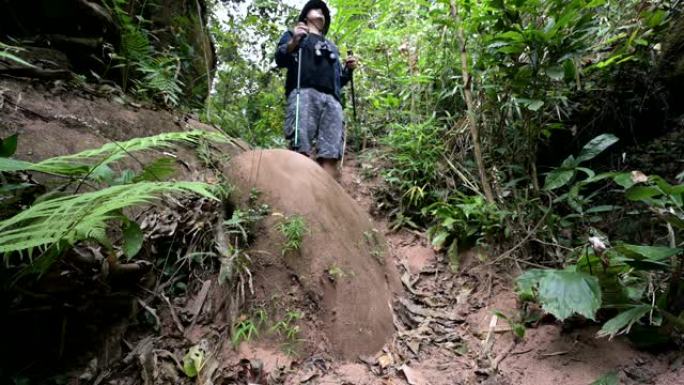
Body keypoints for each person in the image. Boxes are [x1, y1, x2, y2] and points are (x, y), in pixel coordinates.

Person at [274, 0, 358, 179]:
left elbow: (338, 80)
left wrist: (348, 71)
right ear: (305, 16)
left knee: (331, 152)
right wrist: (294, 41)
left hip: (333, 101)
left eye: (324, 12)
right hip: (304, 93)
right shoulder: (293, 35)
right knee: (300, 146)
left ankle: (326, 199)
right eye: (316, 9)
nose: (321, 12)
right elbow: (280, 58)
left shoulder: (332, 47)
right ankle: (296, 191)